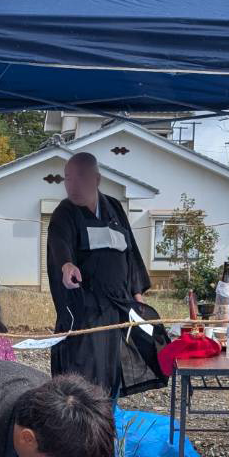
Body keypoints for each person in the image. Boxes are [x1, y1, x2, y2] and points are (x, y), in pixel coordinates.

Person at [45, 152, 161, 395]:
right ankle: (81, 426)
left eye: (80, 177)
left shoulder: (115, 208)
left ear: (97, 179)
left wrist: (137, 293)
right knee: (83, 374)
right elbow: (59, 244)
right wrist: (66, 265)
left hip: (118, 308)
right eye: (67, 178)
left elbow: (130, 254)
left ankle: (107, 422)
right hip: (85, 310)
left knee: (113, 371)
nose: (72, 184)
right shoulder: (64, 212)